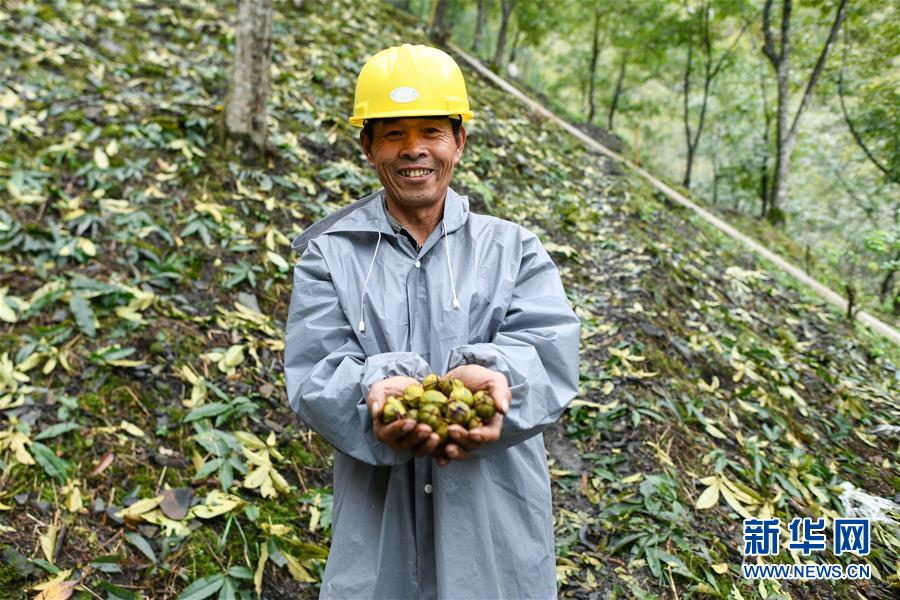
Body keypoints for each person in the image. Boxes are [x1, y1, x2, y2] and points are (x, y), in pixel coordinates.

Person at [284, 43, 580, 599]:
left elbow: (549, 355)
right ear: (367, 148)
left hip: (493, 520)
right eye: (393, 134)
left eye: (431, 132)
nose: (413, 150)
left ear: (459, 142)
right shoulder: (330, 256)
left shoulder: (513, 249)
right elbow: (316, 370)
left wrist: (499, 385)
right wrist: (376, 391)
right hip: (379, 524)